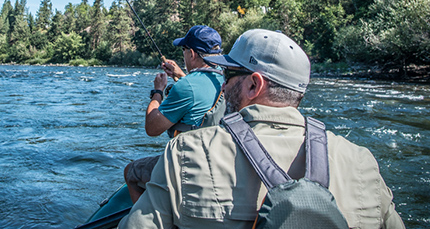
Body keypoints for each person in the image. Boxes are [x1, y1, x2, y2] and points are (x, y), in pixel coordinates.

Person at [119, 29, 405, 229]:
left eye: (229, 74)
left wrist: (159, 91)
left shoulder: (185, 152)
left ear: (254, 85)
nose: (224, 82)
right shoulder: (362, 162)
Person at [124, 25, 225, 204]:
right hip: (217, 159)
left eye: (184, 50)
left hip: (189, 165)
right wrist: (180, 75)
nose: (183, 54)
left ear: (192, 54)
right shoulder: (225, 79)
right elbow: (198, 91)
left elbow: (152, 128)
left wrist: (158, 91)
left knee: (131, 172)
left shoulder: (186, 87)